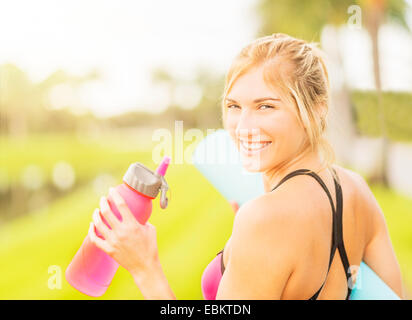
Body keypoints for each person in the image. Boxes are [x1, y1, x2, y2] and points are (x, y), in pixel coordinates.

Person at [88, 33, 404, 300]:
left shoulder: (265, 219)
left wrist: (145, 267)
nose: (243, 127)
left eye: (266, 106)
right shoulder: (356, 190)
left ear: (317, 110)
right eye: (234, 106)